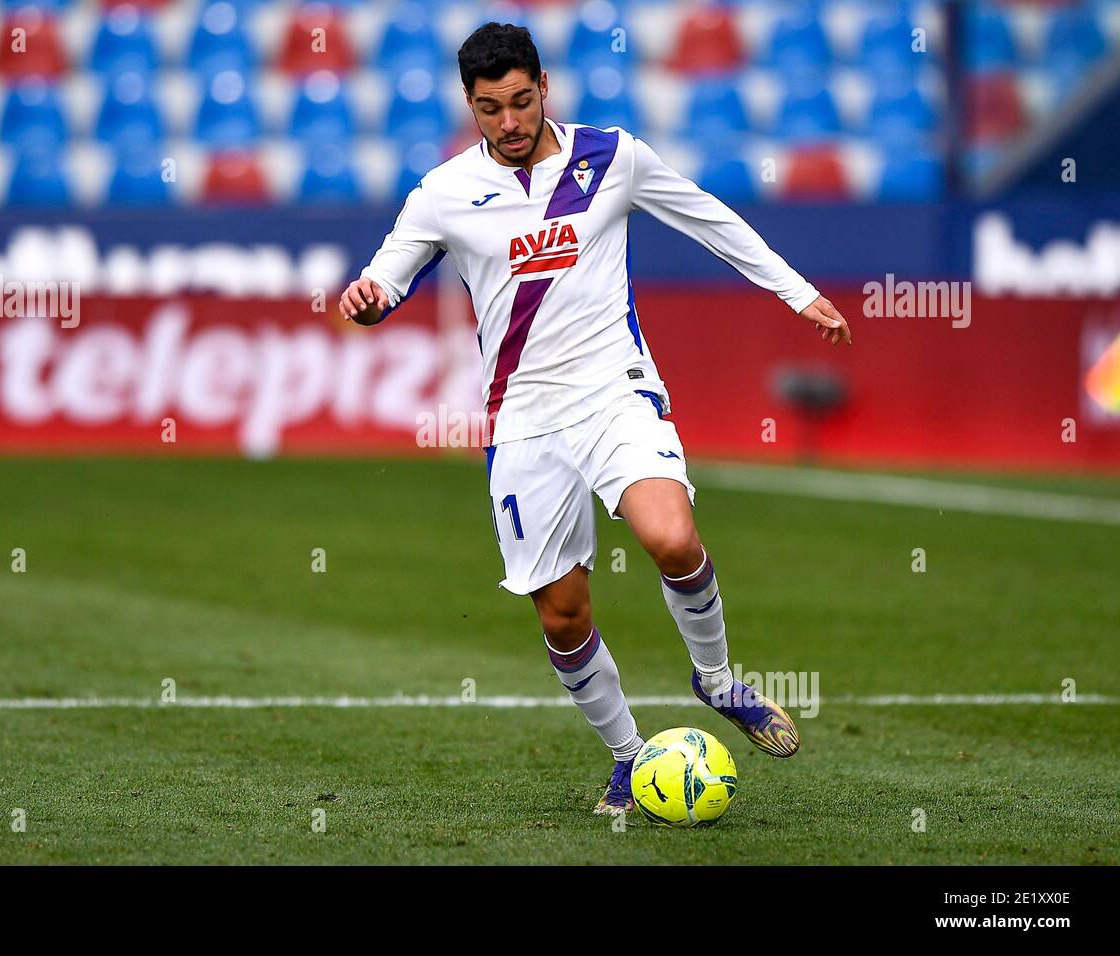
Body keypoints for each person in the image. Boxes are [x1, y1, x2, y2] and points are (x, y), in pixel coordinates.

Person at [339, 22, 852, 814]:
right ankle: (627, 754)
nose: (508, 123)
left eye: (519, 101)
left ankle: (715, 678)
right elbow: (382, 281)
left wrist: (797, 292)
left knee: (671, 536)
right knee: (564, 612)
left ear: (544, 86)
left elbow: (708, 217)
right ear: (468, 107)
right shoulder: (442, 193)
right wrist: (366, 302)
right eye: (488, 109)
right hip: (522, 419)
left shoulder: (611, 156)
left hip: (614, 389)